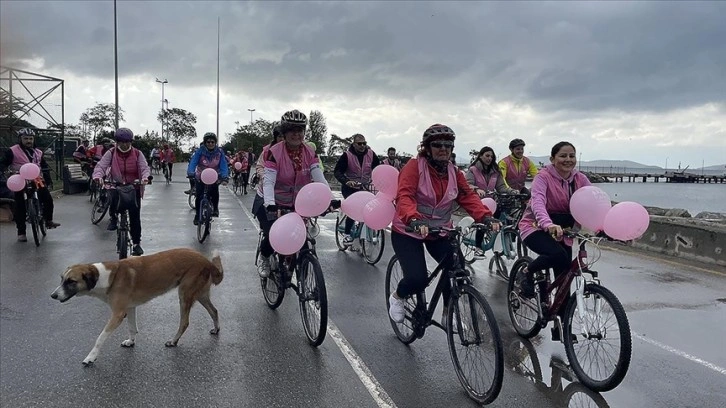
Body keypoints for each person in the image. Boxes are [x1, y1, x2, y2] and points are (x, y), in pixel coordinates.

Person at [387, 124, 500, 325]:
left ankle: (450, 311)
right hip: (408, 230)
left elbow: (467, 196)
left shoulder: (454, 172)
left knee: (456, 267)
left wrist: (485, 217)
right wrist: (413, 218)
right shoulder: (414, 167)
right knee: (417, 279)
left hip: (439, 230)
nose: (443, 149)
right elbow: (404, 195)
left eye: (448, 145)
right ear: (427, 148)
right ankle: (397, 296)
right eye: (437, 145)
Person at [517, 142, 590, 339]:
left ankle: (561, 328)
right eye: (563, 156)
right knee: (557, 255)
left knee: (565, 276)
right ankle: (527, 271)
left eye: (572, 156)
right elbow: (538, 202)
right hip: (535, 227)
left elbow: (594, 202)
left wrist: (607, 226)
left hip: (564, 231)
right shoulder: (543, 177)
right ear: (552, 159)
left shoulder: (580, 179)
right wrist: (547, 224)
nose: (568, 160)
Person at [257, 110, 330, 277]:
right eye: (291, 130)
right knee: (272, 234)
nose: (296, 134)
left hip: (297, 201)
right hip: (272, 199)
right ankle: (264, 257)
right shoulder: (274, 152)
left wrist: (329, 199)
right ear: (284, 132)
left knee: (301, 238)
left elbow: (318, 175)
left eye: (300, 130)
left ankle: (297, 271)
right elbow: (268, 182)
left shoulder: (310, 152)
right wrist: (270, 203)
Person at [92, 128, 151, 256]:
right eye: (121, 142)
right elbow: (101, 166)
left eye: (127, 142)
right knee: (112, 199)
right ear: (117, 142)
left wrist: (145, 178)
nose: (125, 144)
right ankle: (113, 218)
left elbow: (144, 167)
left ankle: (136, 244)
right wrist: (97, 176)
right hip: (116, 185)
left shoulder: (137, 153)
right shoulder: (111, 153)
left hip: (133, 186)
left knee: (135, 215)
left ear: (131, 141)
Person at [0, 128, 61, 242]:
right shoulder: (12, 151)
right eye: (26, 138)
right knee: (19, 205)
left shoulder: (38, 152)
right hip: (19, 180)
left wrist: (48, 180)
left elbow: (44, 166)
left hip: (36, 179)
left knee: (47, 198)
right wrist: (3, 171)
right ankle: (21, 232)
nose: (28, 141)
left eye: (30, 139)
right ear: (20, 139)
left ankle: (48, 220)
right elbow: (2, 163)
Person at [465, 146, 518, 257]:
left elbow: (501, 187)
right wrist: (476, 189)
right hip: (477, 201)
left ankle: (498, 239)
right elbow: (466, 185)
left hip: (492, 201)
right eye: (487, 156)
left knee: (500, 215)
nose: (489, 158)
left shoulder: (495, 172)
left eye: (491, 156)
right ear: (480, 156)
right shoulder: (473, 170)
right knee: (483, 220)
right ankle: (478, 247)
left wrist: (512, 191)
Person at [333, 133, 380, 244]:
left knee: (371, 207)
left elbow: (378, 168)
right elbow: (337, 171)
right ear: (354, 144)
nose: (362, 146)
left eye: (364, 143)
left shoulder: (371, 154)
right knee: (354, 208)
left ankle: (370, 231)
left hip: (365, 187)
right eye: (359, 143)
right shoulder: (347, 155)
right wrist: (347, 181)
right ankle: (347, 233)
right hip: (349, 188)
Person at [187, 132, 229, 224]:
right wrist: (191, 172)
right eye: (208, 142)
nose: (210, 144)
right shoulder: (199, 151)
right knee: (199, 196)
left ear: (215, 143)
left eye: (212, 142)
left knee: (214, 193)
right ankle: (198, 215)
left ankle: (215, 209)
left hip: (214, 176)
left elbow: (223, 165)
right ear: (205, 142)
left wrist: (224, 177)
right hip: (200, 176)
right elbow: (193, 162)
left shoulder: (219, 152)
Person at [250, 125, 284, 217]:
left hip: (286, 193)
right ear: (275, 138)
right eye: (280, 136)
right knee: (265, 220)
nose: (282, 139)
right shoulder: (267, 151)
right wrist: (265, 177)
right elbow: (260, 166)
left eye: (284, 136)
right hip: (266, 189)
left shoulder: (295, 151)